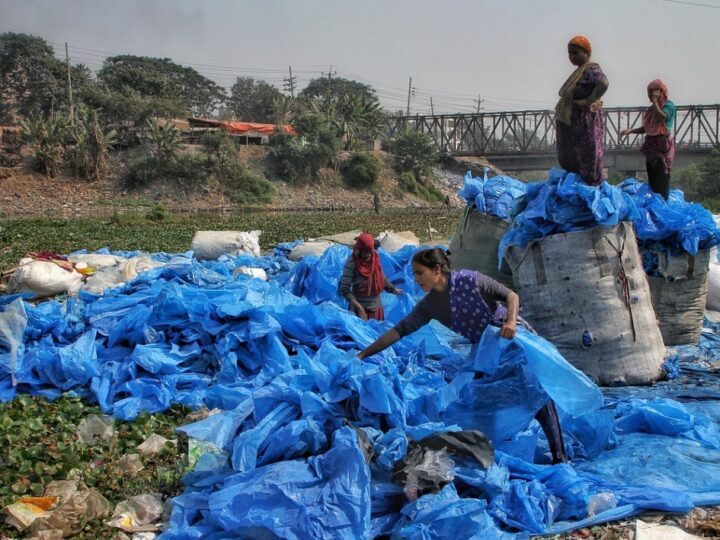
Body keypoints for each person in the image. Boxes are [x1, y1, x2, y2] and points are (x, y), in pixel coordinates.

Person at [358, 248, 567, 464]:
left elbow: (510, 296)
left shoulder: (470, 281)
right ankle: (485, 452)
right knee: (481, 398)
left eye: (419, 272)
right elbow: (398, 331)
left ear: (437, 269)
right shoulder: (430, 305)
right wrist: (363, 354)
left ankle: (560, 456)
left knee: (536, 394)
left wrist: (511, 321)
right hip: (486, 351)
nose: (415, 279)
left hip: (512, 341)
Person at [555, 35, 609, 186]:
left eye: (575, 53)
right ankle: (575, 182)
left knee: (586, 152)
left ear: (586, 52)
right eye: (569, 54)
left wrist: (589, 100)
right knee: (570, 154)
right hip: (572, 119)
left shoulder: (591, 70)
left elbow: (603, 83)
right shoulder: (580, 71)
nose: (572, 57)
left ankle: (589, 185)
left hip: (583, 121)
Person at [619, 79, 676, 200]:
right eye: (649, 93)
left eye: (654, 92)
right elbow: (648, 127)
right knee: (653, 177)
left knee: (662, 177)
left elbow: (662, 117)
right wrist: (631, 130)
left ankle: (663, 202)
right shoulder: (652, 109)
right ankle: (655, 203)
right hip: (651, 146)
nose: (651, 96)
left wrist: (655, 101)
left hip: (661, 146)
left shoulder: (668, 106)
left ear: (661, 92)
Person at [339, 232, 402, 321]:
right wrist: (360, 308)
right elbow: (344, 289)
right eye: (365, 251)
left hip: (376, 308)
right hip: (359, 309)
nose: (368, 254)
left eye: (370, 251)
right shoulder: (352, 263)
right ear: (359, 250)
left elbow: (381, 277)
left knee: (377, 334)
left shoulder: (375, 258)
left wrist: (393, 289)